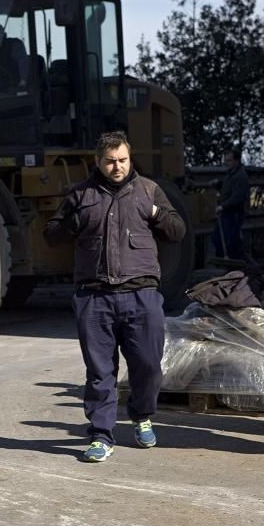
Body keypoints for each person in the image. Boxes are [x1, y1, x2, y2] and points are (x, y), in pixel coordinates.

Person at [44, 131, 186, 462]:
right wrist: (74, 221)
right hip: (94, 297)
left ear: (130, 159)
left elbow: (177, 232)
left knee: (148, 365)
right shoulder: (80, 195)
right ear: (99, 162)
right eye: (110, 161)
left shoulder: (149, 191)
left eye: (122, 160)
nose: (117, 167)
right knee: (99, 371)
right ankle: (101, 435)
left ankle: (142, 416)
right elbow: (51, 235)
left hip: (141, 294)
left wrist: (156, 214)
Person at [211, 147, 249, 260]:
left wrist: (222, 206)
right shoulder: (230, 174)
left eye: (229, 160)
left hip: (234, 213)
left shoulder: (241, 176)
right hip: (226, 213)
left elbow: (237, 197)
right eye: (226, 160)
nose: (226, 163)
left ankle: (235, 264)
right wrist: (218, 184)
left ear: (236, 161)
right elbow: (228, 188)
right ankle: (225, 261)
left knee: (231, 240)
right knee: (217, 237)